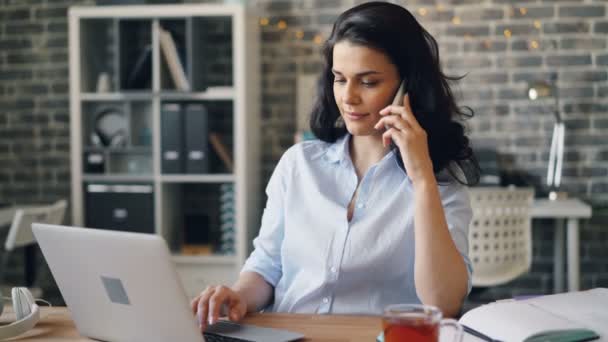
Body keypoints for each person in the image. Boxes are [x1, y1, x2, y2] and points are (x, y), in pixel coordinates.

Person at [191, 1, 480, 331]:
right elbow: (268, 263)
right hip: (286, 335)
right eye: (340, 79)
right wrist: (239, 295)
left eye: (368, 82)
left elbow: (443, 303)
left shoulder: (439, 183)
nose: (349, 97)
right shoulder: (299, 164)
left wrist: (422, 177)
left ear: (407, 88)